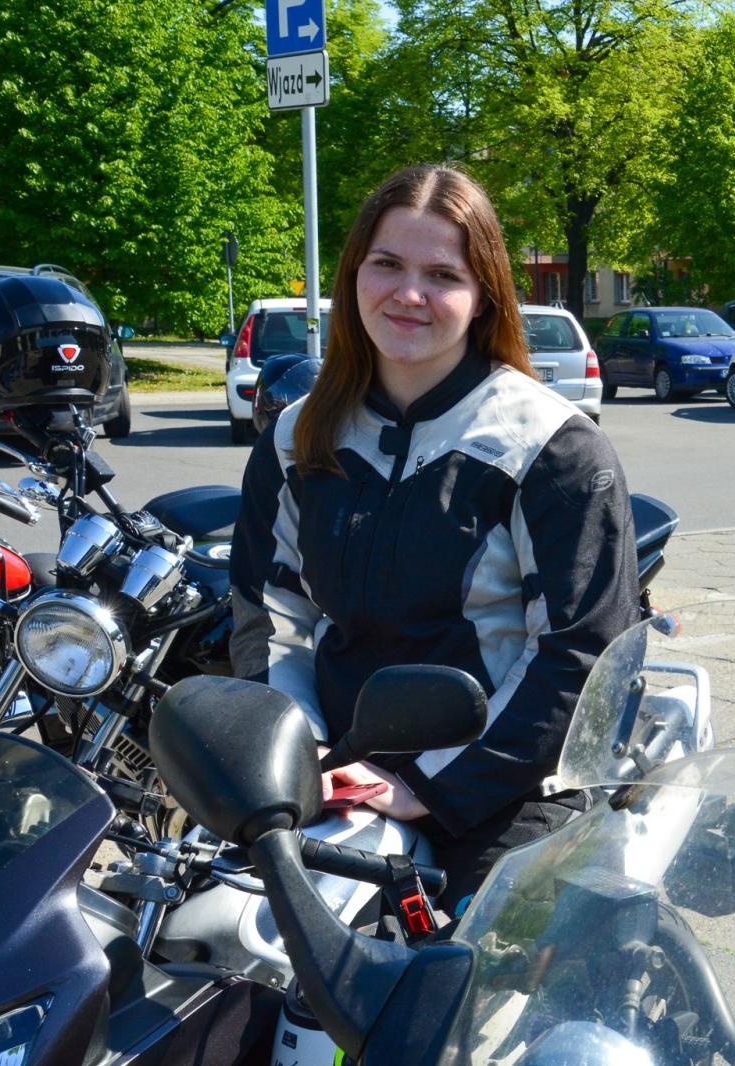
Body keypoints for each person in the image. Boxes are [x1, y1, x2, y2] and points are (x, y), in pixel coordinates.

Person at [230, 164, 640, 910]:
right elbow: (272, 617)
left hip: (502, 783)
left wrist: (432, 783)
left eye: (442, 274)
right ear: (353, 273)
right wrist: (302, 756)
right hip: (334, 769)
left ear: (484, 294)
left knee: (459, 995)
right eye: (386, 264)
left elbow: (582, 654)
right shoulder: (296, 436)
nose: (408, 293)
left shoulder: (551, 446)